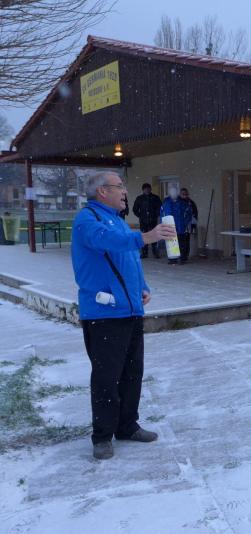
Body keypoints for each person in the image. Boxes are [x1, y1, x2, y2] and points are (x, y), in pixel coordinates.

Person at [71, 172, 176, 459]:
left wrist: (142, 287)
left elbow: (129, 260)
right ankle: (102, 436)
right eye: (119, 187)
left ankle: (127, 426)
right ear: (102, 191)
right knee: (106, 376)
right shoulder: (87, 220)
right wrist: (147, 236)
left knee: (132, 372)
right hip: (103, 313)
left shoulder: (117, 220)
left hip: (130, 310)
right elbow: (110, 241)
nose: (124, 192)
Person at [160, 186, 193, 264]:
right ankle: (173, 259)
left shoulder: (183, 203)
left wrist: (185, 223)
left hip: (181, 226)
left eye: (175, 192)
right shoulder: (166, 202)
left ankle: (182, 258)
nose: (173, 193)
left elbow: (189, 213)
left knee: (182, 243)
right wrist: (163, 223)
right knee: (172, 243)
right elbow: (162, 213)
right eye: (172, 192)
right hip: (170, 226)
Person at [132, 183, 162, 258]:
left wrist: (155, 215)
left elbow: (160, 208)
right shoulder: (139, 198)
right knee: (144, 237)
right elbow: (135, 209)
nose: (147, 190)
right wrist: (140, 216)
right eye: (145, 189)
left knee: (154, 236)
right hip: (143, 222)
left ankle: (155, 252)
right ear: (143, 190)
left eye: (148, 189)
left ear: (150, 189)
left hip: (153, 221)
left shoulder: (155, 198)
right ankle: (144, 253)